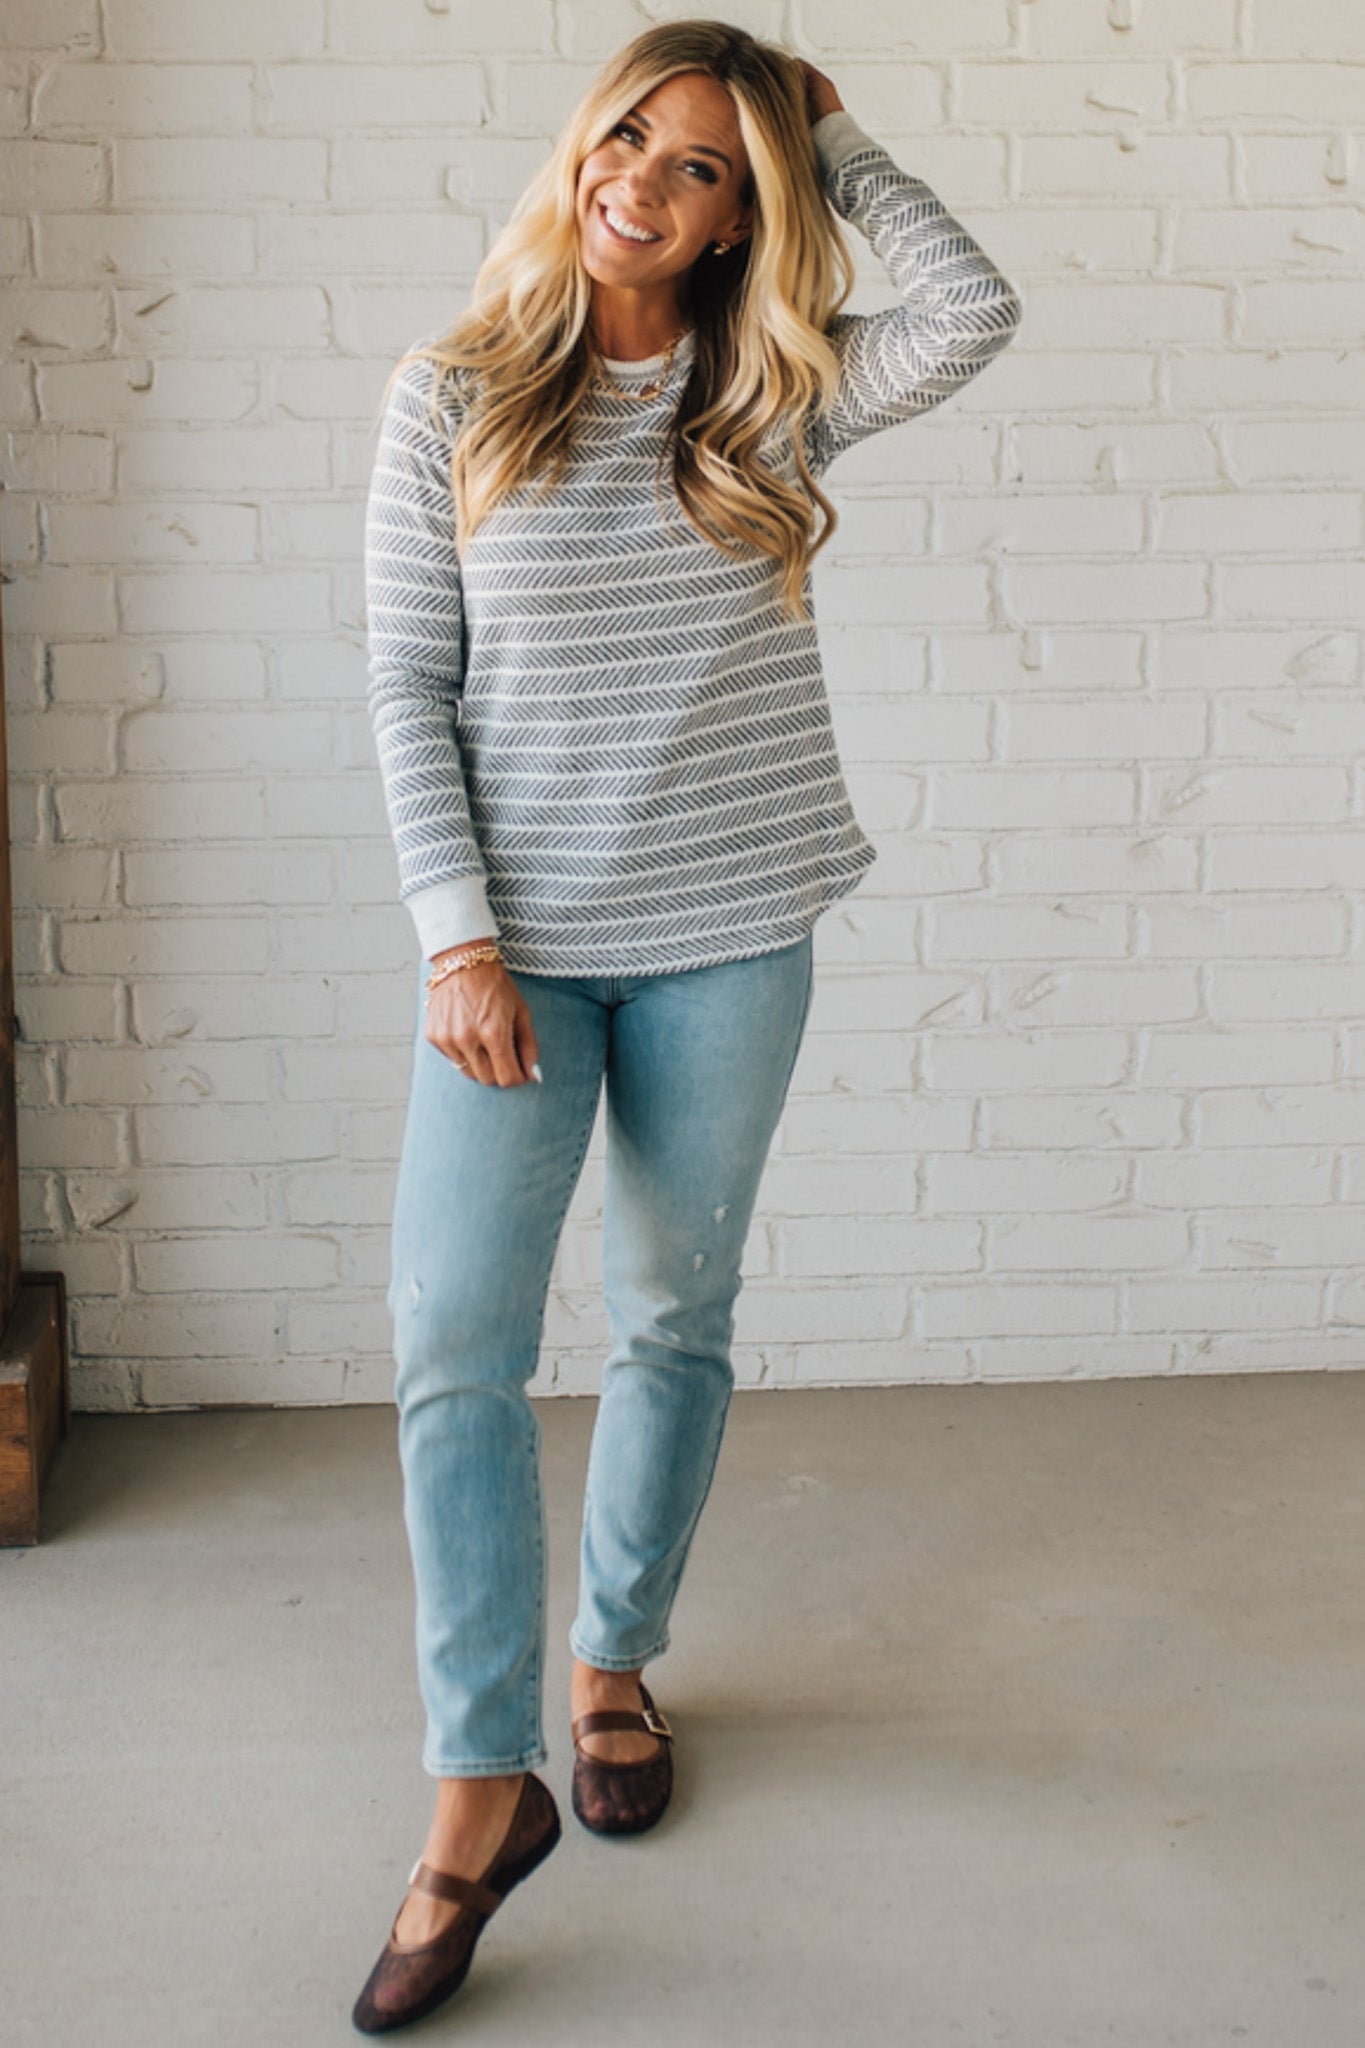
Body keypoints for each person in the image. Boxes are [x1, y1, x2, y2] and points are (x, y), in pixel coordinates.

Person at [352, 17, 1022, 2034]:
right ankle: (479, 1789)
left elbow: (973, 311)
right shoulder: (453, 389)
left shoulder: (771, 399)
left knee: (672, 1313)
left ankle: (611, 1664)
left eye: (703, 163)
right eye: (627, 132)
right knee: (450, 1340)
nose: (641, 174)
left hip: (735, 933)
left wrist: (835, 131)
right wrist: (457, 940)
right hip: (517, 958)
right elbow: (403, 686)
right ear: (582, 145)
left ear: (750, 216)